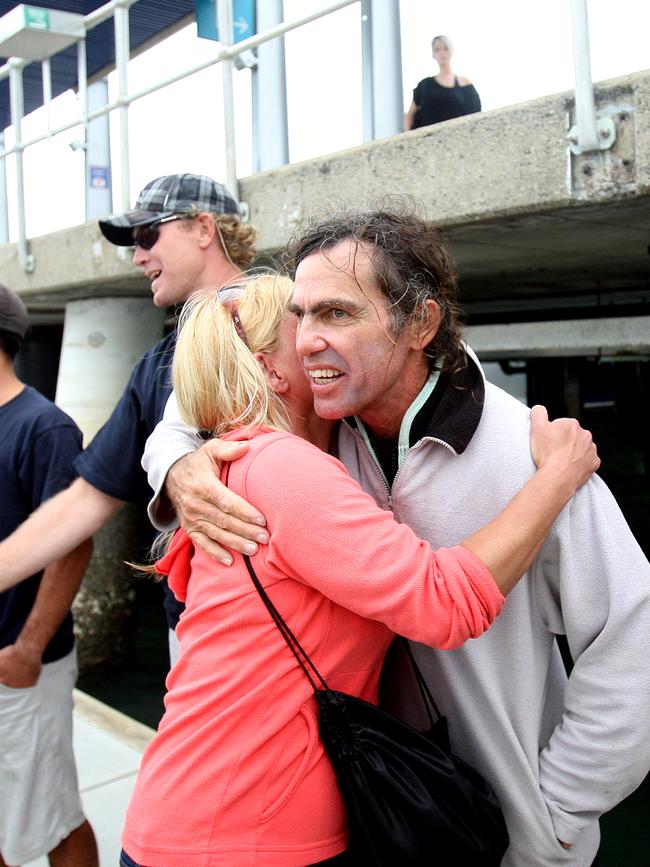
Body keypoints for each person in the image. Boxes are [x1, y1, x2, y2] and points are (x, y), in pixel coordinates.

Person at [144, 211, 650, 867]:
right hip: (383, 817)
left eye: (337, 314)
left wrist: (557, 810)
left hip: (512, 838)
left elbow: (632, 646)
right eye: (303, 316)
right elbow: (189, 412)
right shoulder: (322, 437)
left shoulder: (533, 456)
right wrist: (178, 465)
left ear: (421, 324)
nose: (306, 342)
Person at [0, 173, 258, 662]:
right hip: (193, 622)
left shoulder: (293, 327)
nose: (137, 256)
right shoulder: (157, 364)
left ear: (204, 229)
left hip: (289, 621)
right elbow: (84, 500)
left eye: (146, 236)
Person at [0, 285, 97, 867]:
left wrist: (28, 649)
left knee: (51, 815)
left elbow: (72, 545)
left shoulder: (44, 427)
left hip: (19, 665)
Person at [404, 35, 481, 131]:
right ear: (433, 54)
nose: (442, 53)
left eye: (445, 49)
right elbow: (410, 115)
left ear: (451, 51)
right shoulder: (425, 85)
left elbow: (476, 114)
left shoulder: (464, 82)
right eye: (437, 50)